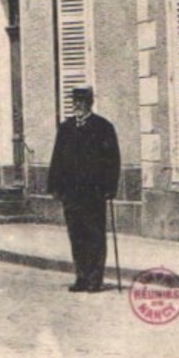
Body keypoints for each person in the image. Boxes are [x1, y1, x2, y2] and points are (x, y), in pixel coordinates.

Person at [47, 85, 122, 293]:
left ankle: (94, 279)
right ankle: (81, 276)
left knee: (95, 235)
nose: (78, 105)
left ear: (90, 103)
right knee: (76, 235)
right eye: (75, 102)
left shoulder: (103, 127)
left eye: (83, 102)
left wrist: (110, 188)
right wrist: (55, 186)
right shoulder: (66, 128)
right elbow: (57, 159)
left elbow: (113, 160)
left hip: (94, 193)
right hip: (71, 194)